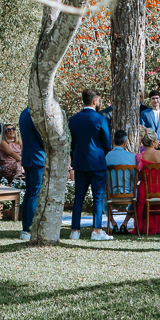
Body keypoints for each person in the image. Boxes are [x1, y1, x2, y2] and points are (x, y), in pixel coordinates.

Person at [68, 89, 113, 241]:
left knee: (78, 197)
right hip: (97, 162)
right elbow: (107, 142)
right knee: (98, 197)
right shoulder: (100, 119)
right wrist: (102, 153)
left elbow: (72, 142)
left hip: (80, 162)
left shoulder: (73, 119)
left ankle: (75, 231)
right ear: (94, 101)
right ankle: (97, 231)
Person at [132, 127, 160, 235]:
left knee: (141, 191)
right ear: (153, 142)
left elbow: (140, 177)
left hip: (146, 191)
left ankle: (142, 227)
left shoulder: (140, 157)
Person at [18, 107, 46, 241]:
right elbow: (41, 136)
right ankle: (30, 229)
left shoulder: (24, 113)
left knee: (29, 193)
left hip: (28, 156)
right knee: (35, 194)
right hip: (38, 157)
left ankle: (25, 228)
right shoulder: (35, 113)